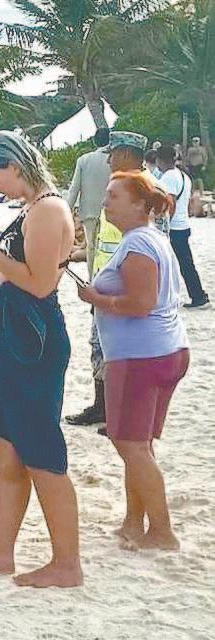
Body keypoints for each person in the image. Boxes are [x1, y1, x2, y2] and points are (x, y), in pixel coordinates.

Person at [0, 130, 82, 589]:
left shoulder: (47, 209)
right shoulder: (33, 208)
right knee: (7, 446)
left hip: (30, 336)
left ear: (15, 164)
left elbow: (40, 284)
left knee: (40, 448)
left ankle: (67, 563)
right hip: (13, 333)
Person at [76, 173, 189, 551]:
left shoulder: (139, 242)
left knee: (130, 444)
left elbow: (141, 304)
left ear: (140, 205)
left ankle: (161, 531)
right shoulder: (149, 238)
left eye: (113, 196)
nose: (104, 202)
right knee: (138, 443)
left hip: (142, 355)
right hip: (164, 349)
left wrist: (96, 299)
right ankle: (133, 521)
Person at [67, 132, 168, 428]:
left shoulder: (146, 189)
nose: (108, 159)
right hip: (104, 284)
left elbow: (154, 246)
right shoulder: (120, 186)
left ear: (125, 154)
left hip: (126, 290)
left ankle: (121, 413)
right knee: (100, 346)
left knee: (124, 352)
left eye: (112, 154)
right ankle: (103, 408)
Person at [159, 152, 210, 309]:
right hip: (183, 225)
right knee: (185, 263)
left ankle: (197, 296)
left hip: (174, 227)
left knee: (175, 264)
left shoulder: (168, 177)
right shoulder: (183, 176)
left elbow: (170, 203)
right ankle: (198, 295)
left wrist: (164, 225)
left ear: (161, 160)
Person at [65, 127, 113, 276]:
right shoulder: (115, 159)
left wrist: (66, 211)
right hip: (112, 212)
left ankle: (93, 279)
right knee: (110, 248)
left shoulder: (83, 160)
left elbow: (74, 189)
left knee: (91, 248)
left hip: (89, 212)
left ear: (95, 141)